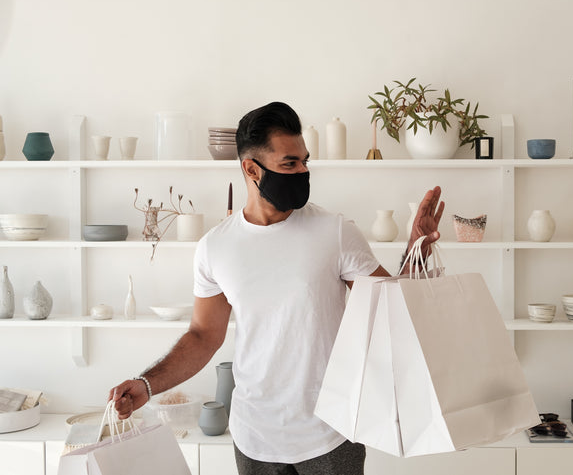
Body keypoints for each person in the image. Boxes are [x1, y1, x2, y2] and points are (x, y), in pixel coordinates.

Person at [108, 101, 444, 475]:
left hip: (331, 433)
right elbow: (204, 335)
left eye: (305, 161)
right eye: (289, 164)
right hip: (254, 438)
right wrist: (147, 384)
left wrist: (419, 249)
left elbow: (389, 308)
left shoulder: (334, 231)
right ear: (251, 169)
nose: (302, 171)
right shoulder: (215, 247)